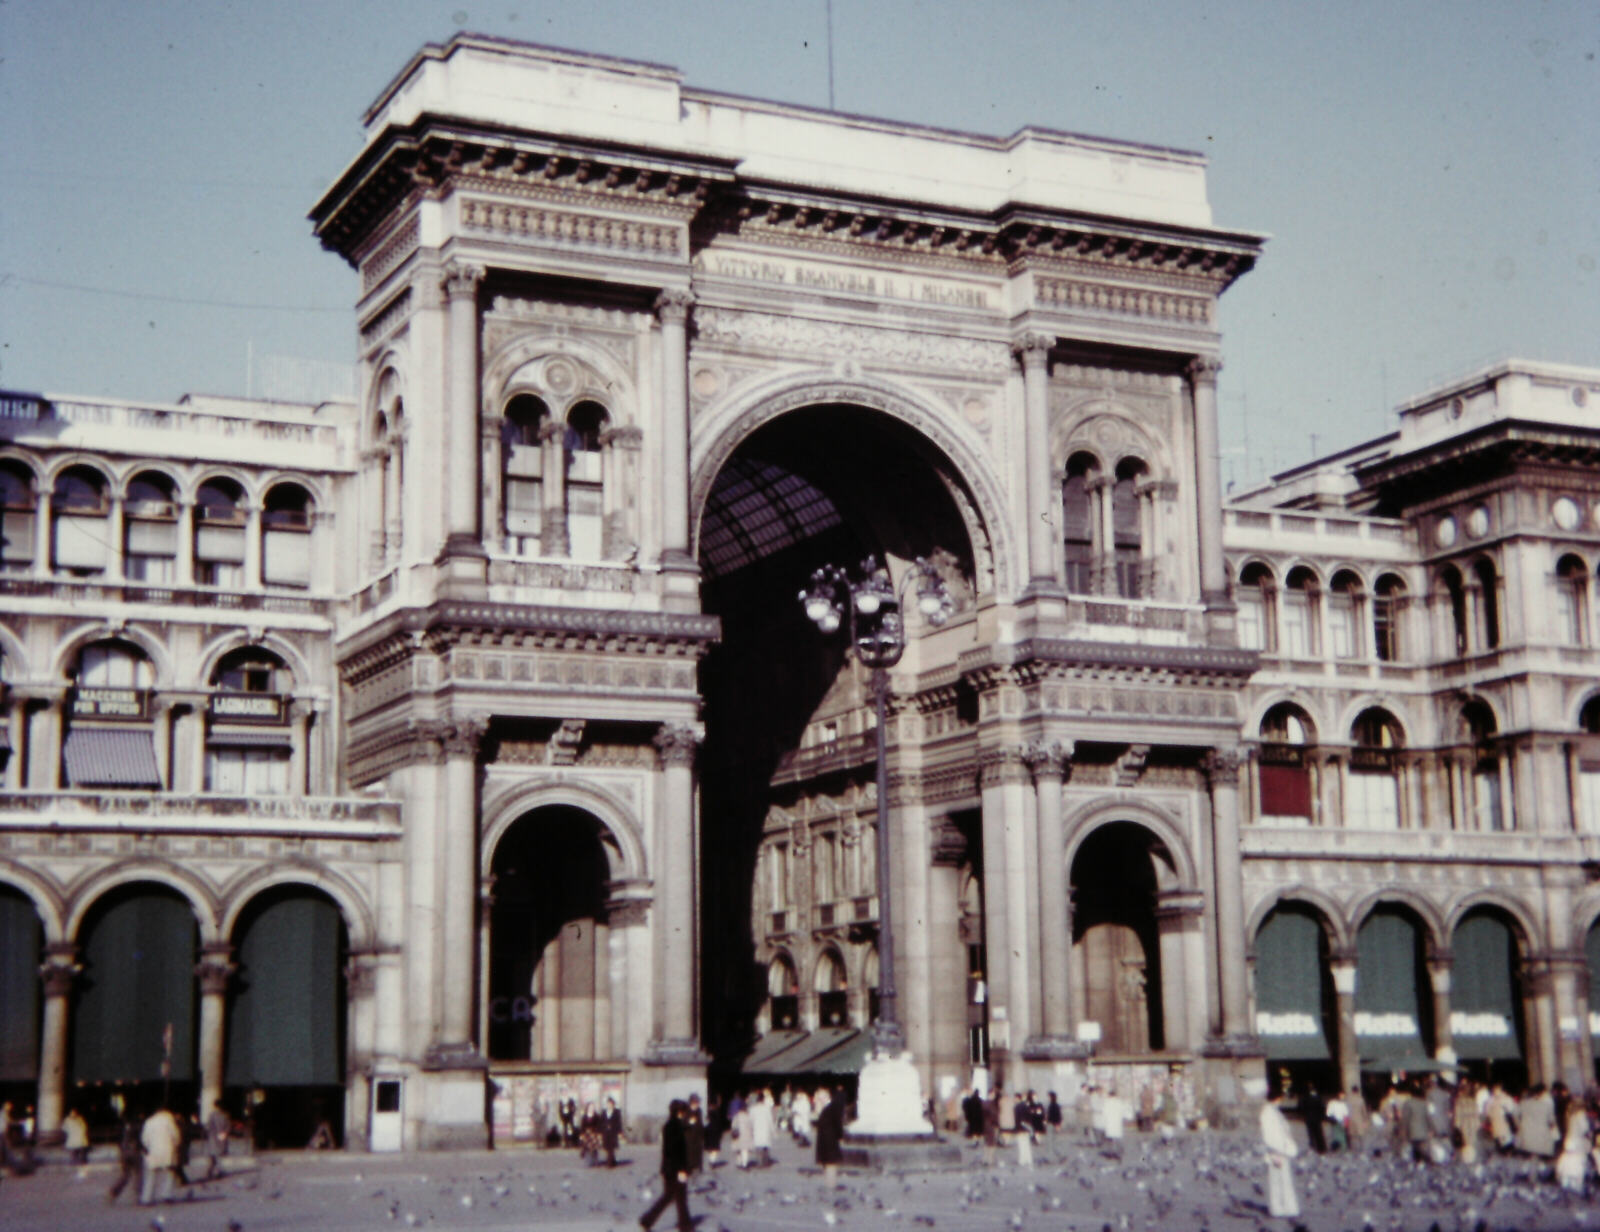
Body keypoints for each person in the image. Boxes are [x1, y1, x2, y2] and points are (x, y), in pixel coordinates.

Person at [638, 1099, 692, 1232]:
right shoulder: (676, 1127)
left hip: (668, 1168)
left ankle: (646, 1221)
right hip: (676, 1169)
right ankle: (685, 1226)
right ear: (680, 1112)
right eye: (683, 1111)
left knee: (669, 1196)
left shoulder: (669, 1125)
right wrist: (682, 1169)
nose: (685, 1114)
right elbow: (676, 1150)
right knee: (680, 1198)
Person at [1260, 1089, 1300, 1220]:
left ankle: (1287, 1207)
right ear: (1275, 1098)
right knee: (1277, 1180)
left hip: (1282, 1150)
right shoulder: (1267, 1113)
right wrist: (1276, 1150)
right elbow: (1269, 1135)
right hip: (1276, 1151)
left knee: (1283, 1179)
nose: (1281, 1101)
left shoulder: (1274, 1112)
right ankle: (1279, 1208)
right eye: (1280, 1098)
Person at [139, 1106, 184, 1206]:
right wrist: (176, 1145)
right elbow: (176, 1136)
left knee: (150, 1175)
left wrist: (149, 1147)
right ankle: (167, 1195)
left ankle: (146, 1198)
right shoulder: (169, 1121)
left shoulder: (149, 1122)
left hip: (153, 1151)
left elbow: (144, 1138)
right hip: (168, 1151)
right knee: (169, 1173)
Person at [1557, 1094, 1592, 1192]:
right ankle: (1576, 1184)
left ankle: (1565, 1181)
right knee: (1578, 1162)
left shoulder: (1570, 1114)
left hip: (1569, 1140)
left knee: (1568, 1160)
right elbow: (1584, 1129)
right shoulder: (1581, 1115)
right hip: (1578, 1142)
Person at [107, 1111, 142, 1205]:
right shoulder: (137, 1127)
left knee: (125, 1175)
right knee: (139, 1175)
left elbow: (118, 1140)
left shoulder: (123, 1128)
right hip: (135, 1152)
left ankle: (114, 1192)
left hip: (124, 1152)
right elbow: (140, 1140)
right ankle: (138, 1196)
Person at [814, 1087, 845, 1187]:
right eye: (818, 1098)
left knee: (830, 1165)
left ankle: (831, 1186)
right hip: (825, 1142)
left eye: (820, 1098)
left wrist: (840, 1137)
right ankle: (829, 1185)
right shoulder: (825, 1109)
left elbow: (838, 1124)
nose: (818, 1100)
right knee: (826, 1164)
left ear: (826, 1097)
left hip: (830, 1142)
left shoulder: (832, 1107)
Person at [1517, 1083, 1558, 1158]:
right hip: (1542, 1138)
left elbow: (1516, 1115)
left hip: (1527, 1136)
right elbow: (1551, 1121)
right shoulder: (1546, 1105)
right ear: (1542, 1093)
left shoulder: (1523, 1103)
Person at [204, 1100, 232, 1178]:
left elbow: (209, 1126)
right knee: (216, 1156)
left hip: (217, 1138)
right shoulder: (221, 1115)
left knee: (215, 1156)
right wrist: (223, 1133)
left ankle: (214, 1172)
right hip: (218, 1138)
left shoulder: (216, 1115)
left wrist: (224, 1133)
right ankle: (213, 1171)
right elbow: (228, 1126)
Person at [749, 1088, 775, 1167]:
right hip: (765, 1129)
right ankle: (765, 1162)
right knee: (765, 1147)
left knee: (758, 1147)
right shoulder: (767, 1109)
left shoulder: (753, 1109)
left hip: (757, 1129)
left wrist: (750, 1129)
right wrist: (773, 1130)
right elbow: (770, 1120)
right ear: (763, 1100)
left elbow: (750, 1120)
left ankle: (759, 1162)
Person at [1300, 1084, 1327, 1154]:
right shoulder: (1318, 1097)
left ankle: (1313, 1147)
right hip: (1317, 1118)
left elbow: (1300, 1107)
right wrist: (1322, 1116)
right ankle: (1321, 1148)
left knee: (1311, 1134)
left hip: (1308, 1118)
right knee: (1319, 1134)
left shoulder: (1304, 1097)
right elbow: (1322, 1107)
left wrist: (1304, 1114)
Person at [684, 1093, 706, 1174]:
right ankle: (689, 1167)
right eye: (696, 1102)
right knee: (689, 1152)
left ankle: (697, 1166)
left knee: (698, 1152)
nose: (698, 1104)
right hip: (689, 1136)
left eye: (698, 1102)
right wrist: (689, 1122)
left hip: (697, 1136)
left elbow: (700, 1123)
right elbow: (683, 1123)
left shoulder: (699, 1111)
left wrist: (703, 1131)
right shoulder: (686, 1111)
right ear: (692, 1103)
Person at [600, 1096, 623, 1168]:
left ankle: (609, 1163)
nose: (609, 1105)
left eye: (611, 1104)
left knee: (611, 1148)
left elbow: (618, 1123)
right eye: (608, 1104)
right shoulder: (604, 1112)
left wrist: (620, 1132)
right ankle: (612, 1161)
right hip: (606, 1133)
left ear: (613, 1105)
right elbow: (601, 1122)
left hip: (613, 1132)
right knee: (607, 1148)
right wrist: (601, 1130)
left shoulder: (616, 1112)